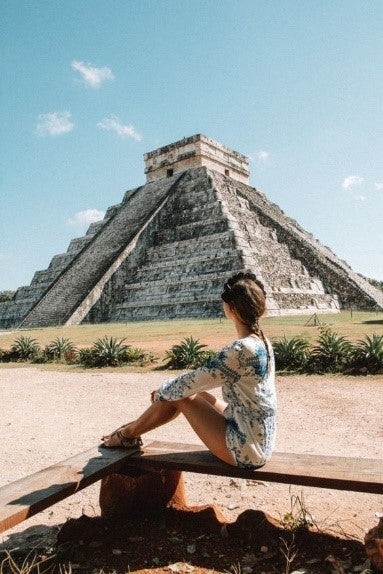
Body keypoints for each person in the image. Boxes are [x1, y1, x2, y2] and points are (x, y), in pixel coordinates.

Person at [102, 271, 276, 469]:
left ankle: (127, 434)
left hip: (246, 449)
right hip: (259, 437)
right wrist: (169, 389)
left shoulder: (241, 350)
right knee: (188, 391)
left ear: (232, 309)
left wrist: (162, 391)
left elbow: (186, 384)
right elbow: (196, 382)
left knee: (179, 395)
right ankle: (131, 431)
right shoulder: (263, 342)